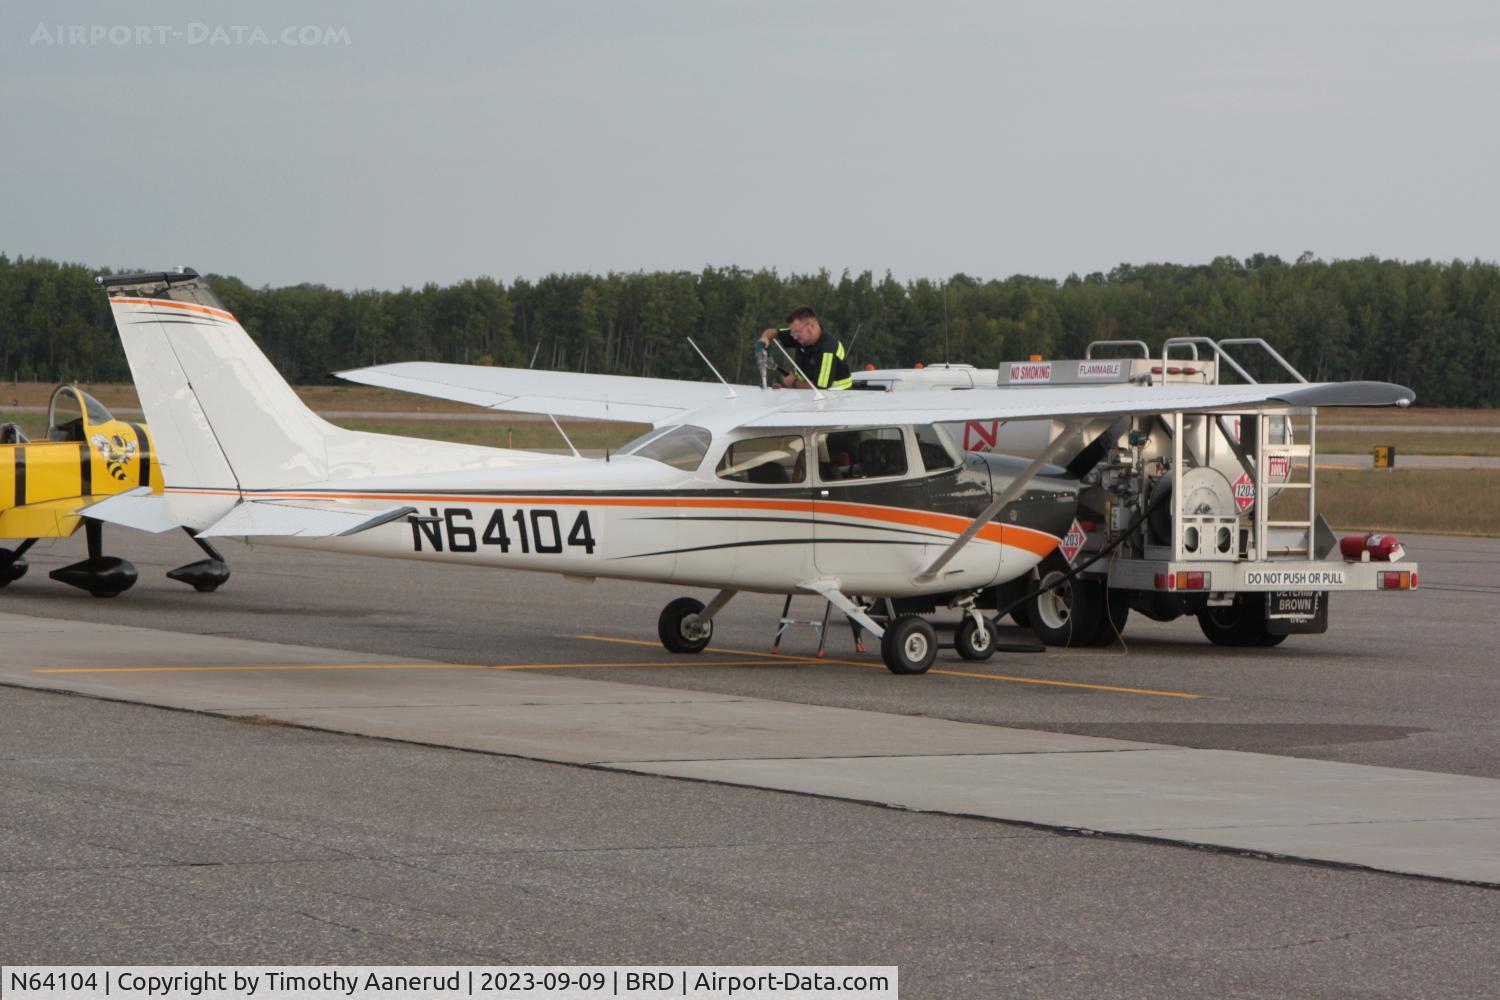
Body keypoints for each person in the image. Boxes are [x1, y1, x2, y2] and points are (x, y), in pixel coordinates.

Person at [758, 307, 853, 390]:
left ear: (811, 325)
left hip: (835, 400)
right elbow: (774, 332)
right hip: (807, 396)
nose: (794, 337)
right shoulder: (800, 336)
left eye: (797, 332)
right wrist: (765, 338)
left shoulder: (828, 349)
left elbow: (820, 387)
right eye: (792, 333)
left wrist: (793, 383)